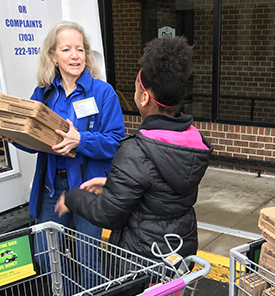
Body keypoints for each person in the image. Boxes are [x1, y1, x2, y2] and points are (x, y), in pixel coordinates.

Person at [54, 36, 213, 261]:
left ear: (145, 97)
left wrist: (72, 198)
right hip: (180, 248)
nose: (135, 93)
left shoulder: (136, 150)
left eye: (137, 89)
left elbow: (106, 213)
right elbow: (160, 192)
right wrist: (114, 184)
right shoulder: (192, 141)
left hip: (143, 256)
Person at [0, 21, 126, 291]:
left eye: (80, 49)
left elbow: (115, 142)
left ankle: (93, 295)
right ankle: (71, 295)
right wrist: (16, 138)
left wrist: (81, 140)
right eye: (66, 49)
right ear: (53, 56)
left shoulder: (103, 93)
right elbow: (36, 143)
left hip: (88, 187)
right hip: (52, 185)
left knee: (89, 258)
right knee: (46, 252)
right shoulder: (43, 93)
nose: (75, 55)